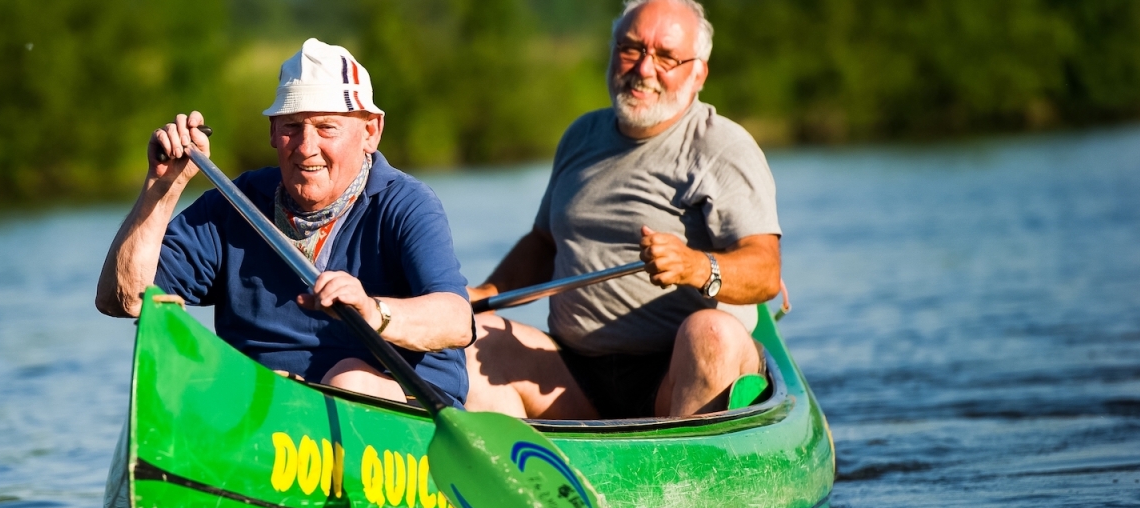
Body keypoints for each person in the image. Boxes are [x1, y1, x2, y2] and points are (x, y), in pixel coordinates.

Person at [95, 38, 473, 407]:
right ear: (273, 132)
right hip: (273, 416)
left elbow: (458, 321)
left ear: (370, 131)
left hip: (405, 408)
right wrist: (162, 188)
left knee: (349, 379)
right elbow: (123, 300)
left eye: (326, 127)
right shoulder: (233, 204)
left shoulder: (406, 204)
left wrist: (373, 311)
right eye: (292, 127)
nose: (306, 147)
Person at [464, 0, 782, 420]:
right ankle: (519, 475)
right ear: (613, 52)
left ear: (698, 72)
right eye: (631, 49)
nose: (644, 68)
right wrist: (482, 296)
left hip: (677, 371)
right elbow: (543, 242)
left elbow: (765, 271)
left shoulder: (724, 147)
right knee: (471, 337)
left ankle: (682, 471)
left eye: (666, 57)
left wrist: (695, 267)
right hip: (573, 370)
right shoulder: (581, 136)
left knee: (713, 333)